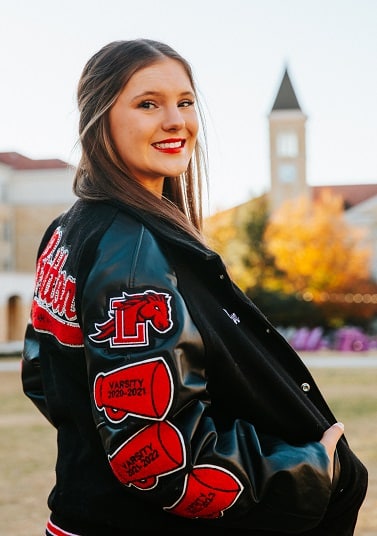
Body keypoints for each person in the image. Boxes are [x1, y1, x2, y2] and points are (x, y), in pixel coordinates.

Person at [21, 39, 367, 536]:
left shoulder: (67, 229)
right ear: (99, 119)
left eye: (185, 102)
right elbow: (161, 459)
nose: (175, 121)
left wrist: (95, 442)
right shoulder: (132, 251)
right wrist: (315, 469)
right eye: (147, 104)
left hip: (80, 514)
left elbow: (42, 375)